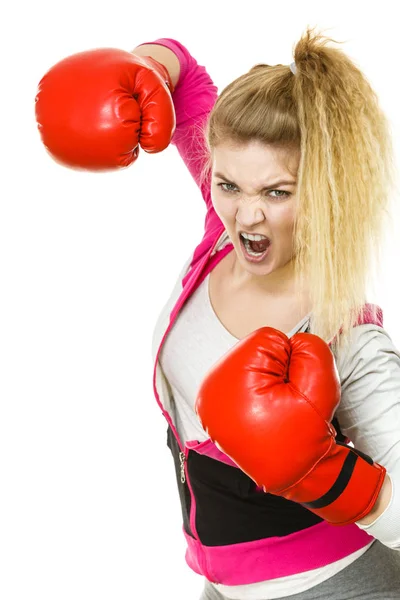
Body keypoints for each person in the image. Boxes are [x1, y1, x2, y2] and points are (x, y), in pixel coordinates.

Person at [35, 26, 400, 599]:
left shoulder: (346, 334)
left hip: (336, 585)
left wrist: (326, 477)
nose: (247, 216)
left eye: (278, 193)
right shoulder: (221, 232)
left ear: (326, 192)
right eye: (228, 184)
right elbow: (180, 70)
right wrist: (142, 68)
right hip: (221, 586)